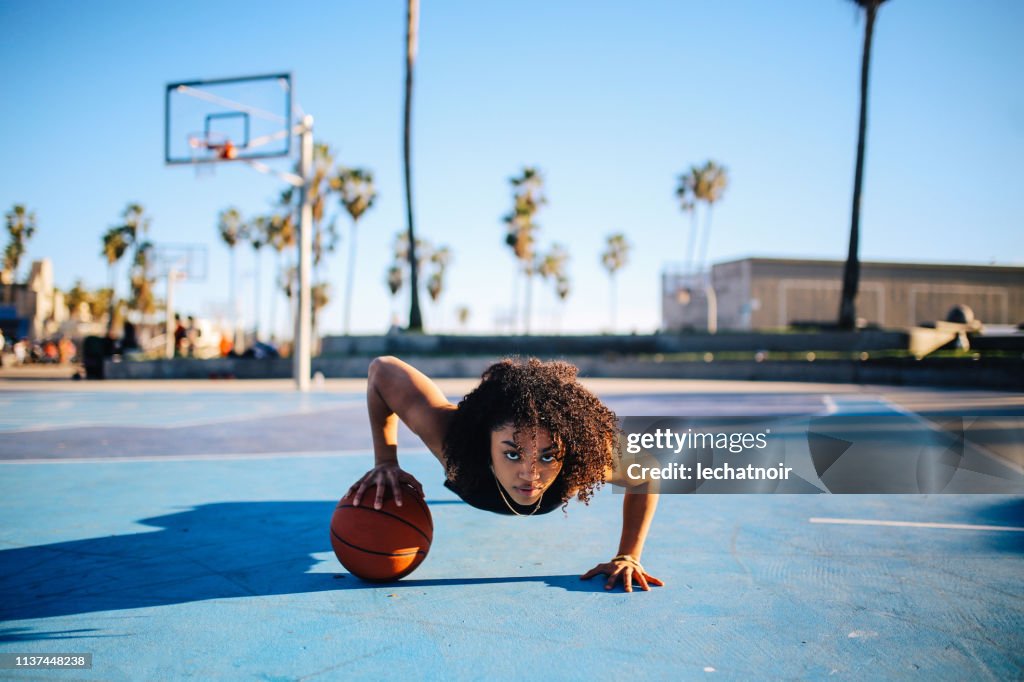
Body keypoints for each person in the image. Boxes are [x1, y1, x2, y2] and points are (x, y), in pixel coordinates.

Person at [347, 355, 664, 593]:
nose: (530, 474)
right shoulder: (451, 437)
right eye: (512, 453)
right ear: (485, 440)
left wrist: (629, 555)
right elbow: (382, 369)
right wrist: (385, 461)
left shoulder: (583, 457)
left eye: (548, 455)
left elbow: (647, 472)